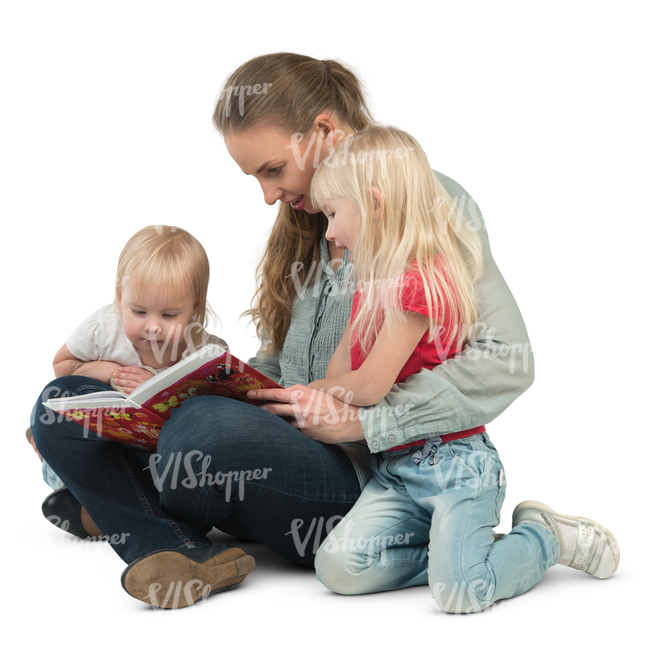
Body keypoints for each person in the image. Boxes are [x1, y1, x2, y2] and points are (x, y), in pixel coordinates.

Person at [32, 52, 556, 610]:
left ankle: (118, 498)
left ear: (323, 132)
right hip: (283, 445)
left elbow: (505, 361)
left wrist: (369, 420)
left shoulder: (421, 207)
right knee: (61, 405)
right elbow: (284, 366)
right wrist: (209, 386)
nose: (266, 195)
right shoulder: (309, 226)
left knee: (201, 435)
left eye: (272, 170)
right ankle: (174, 546)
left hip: (365, 475)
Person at [299, 125, 619, 613]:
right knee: (338, 569)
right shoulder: (368, 279)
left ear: (375, 202)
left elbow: (367, 386)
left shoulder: (417, 284)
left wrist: (315, 399)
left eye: (334, 214)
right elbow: (340, 363)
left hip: (454, 465)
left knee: (461, 594)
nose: (330, 232)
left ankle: (543, 538)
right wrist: (315, 391)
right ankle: (464, 556)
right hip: (397, 467)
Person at [36, 225, 229, 539]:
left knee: (178, 480)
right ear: (119, 296)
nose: (152, 327)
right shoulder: (103, 329)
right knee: (70, 456)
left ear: (195, 306)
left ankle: (95, 513)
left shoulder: (204, 350)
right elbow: (62, 365)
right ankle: (80, 490)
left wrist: (157, 383)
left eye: (169, 315)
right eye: (138, 311)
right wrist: (110, 371)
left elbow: (214, 413)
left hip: (156, 450)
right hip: (108, 440)